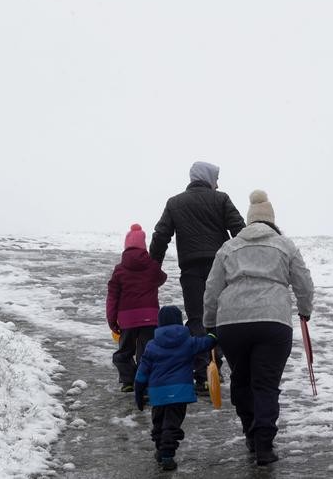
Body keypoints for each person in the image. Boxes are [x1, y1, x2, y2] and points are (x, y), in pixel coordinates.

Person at [202, 190, 314, 466]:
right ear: (272, 221)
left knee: (241, 381)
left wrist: (209, 325)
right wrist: (304, 309)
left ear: (249, 221)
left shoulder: (228, 248)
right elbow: (304, 282)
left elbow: (212, 289)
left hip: (232, 324)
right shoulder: (285, 245)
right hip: (272, 322)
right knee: (265, 383)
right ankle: (264, 443)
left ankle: (251, 435)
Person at [149, 161, 245, 392]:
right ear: (208, 178)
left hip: (191, 268)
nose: (218, 183)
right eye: (216, 178)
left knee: (196, 318)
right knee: (219, 316)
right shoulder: (221, 199)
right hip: (219, 265)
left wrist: (153, 268)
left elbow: (161, 235)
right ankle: (216, 366)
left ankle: (202, 373)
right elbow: (239, 229)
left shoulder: (175, 203)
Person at [134, 305, 218, 471]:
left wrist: (138, 394)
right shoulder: (188, 342)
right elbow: (206, 343)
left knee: (158, 423)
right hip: (179, 393)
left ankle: (160, 450)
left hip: (157, 394)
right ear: (180, 322)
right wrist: (213, 334)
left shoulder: (151, 345)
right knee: (172, 425)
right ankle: (167, 455)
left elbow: (141, 373)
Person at [106, 224, 167, 392]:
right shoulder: (152, 267)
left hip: (127, 319)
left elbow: (112, 297)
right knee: (146, 351)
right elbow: (162, 278)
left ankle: (128, 380)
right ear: (144, 245)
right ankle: (145, 382)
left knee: (125, 350)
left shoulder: (119, 270)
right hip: (150, 317)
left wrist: (112, 320)